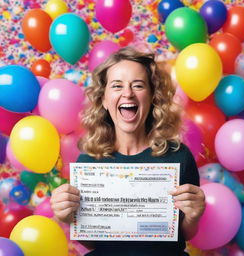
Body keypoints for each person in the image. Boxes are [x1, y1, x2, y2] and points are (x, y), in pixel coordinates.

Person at [50, 47, 205, 256]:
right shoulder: (89, 162)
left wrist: (193, 216)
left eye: (138, 85)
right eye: (117, 86)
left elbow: (183, 235)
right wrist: (69, 218)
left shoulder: (179, 156)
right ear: (104, 99)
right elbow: (93, 243)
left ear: (152, 97)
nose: (128, 93)